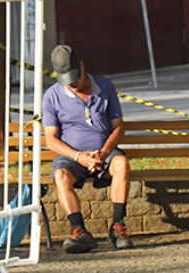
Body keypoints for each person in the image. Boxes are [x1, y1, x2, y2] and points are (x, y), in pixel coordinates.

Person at [41, 44, 134, 253]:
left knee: (121, 164)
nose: (72, 84)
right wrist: (79, 157)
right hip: (72, 156)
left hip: (104, 152)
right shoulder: (51, 96)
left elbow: (118, 128)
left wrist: (103, 152)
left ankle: (118, 226)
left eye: (75, 77)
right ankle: (79, 231)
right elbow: (51, 139)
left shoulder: (105, 86)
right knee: (61, 175)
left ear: (82, 66)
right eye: (67, 80)